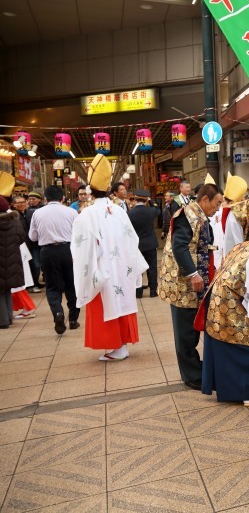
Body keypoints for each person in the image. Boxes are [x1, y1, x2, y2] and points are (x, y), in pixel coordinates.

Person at [72, 154, 149, 361]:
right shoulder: (118, 210)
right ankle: (121, 344)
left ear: (89, 192)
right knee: (122, 302)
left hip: (101, 268)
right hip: (122, 266)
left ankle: (117, 346)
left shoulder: (87, 214)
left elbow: (81, 247)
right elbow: (132, 239)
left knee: (106, 305)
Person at [159, 183, 223, 390]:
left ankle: (195, 367)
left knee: (193, 327)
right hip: (184, 283)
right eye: (217, 203)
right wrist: (193, 273)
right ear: (205, 199)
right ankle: (191, 375)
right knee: (185, 331)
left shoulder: (200, 215)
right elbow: (179, 246)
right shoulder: (187, 215)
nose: (219, 208)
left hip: (196, 282)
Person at [201, 240, 249, 403]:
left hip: (221, 296)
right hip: (233, 300)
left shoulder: (248, 244)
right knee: (246, 339)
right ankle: (248, 393)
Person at [28, 185, 79, 335]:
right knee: (71, 284)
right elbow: (78, 234)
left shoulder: (37, 214)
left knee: (52, 287)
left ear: (45, 198)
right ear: (63, 198)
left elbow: (32, 237)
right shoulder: (72, 212)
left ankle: (58, 313)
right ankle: (73, 320)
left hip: (47, 252)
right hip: (68, 250)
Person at [0, 174, 27, 329]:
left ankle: (2, 321)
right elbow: (21, 239)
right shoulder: (15, 222)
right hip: (12, 261)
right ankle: (8, 318)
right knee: (7, 290)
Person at [128, 189, 161, 298]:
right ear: (146, 200)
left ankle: (138, 292)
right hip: (150, 243)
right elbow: (158, 209)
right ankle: (153, 291)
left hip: (136, 245)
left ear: (135, 200)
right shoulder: (151, 211)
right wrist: (151, 201)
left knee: (138, 268)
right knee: (152, 267)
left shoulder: (129, 213)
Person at [215, 173, 248, 264]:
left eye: (224, 201)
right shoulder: (229, 214)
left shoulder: (234, 215)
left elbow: (238, 242)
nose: (222, 204)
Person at [24, 192, 44, 293]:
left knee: (42, 265)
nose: (31, 201)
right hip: (33, 243)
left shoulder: (43, 210)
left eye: (33, 199)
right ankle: (33, 284)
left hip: (43, 242)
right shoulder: (26, 212)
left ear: (39, 199)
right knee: (35, 265)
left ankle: (36, 282)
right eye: (29, 199)